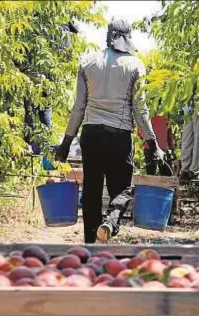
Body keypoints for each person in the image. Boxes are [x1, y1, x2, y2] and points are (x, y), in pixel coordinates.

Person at [55, 19, 165, 243]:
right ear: (127, 37)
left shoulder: (87, 62)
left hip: (91, 134)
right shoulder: (135, 66)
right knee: (123, 189)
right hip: (119, 135)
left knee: (92, 190)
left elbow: (79, 106)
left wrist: (66, 143)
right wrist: (153, 144)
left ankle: (89, 244)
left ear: (108, 35)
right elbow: (140, 110)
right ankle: (111, 221)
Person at [24, 22, 79, 155]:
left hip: (35, 75)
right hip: (48, 79)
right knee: (44, 113)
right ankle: (43, 148)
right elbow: (63, 59)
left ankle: (31, 146)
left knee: (31, 112)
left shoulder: (50, 28)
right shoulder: (65, 36)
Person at [179, 101, 199, 181]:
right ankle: (194, 171)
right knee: (198, 137)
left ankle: (185, 169)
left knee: (187, 137)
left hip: (188, 102)